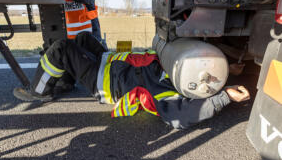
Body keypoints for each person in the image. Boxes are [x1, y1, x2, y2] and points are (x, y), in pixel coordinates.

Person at [13, 33, 250, 129]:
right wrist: (229, 70)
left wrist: (225, 97)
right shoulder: (180, 68)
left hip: (103, 80)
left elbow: (184, 116)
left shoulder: (171, 95)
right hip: (111, 64)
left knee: (61, 49)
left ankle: (40, 91)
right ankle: (64, 82)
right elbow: (205, 69)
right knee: (84, 38)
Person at [57, 0, 106, 93]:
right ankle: (67, 83)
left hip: (89, 36)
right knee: (69, 59)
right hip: (71, 36)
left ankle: (100, 86)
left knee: (92, 62)